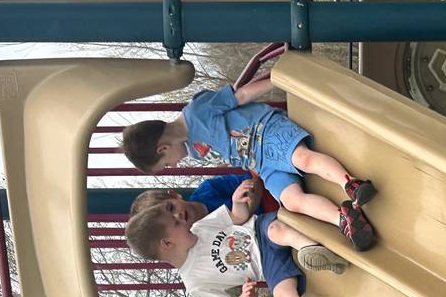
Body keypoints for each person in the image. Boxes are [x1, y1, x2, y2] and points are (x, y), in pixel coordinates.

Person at [123, 171, 360, 297]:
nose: (182, 222)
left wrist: (237, 202)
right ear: (167, 244)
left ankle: (312, 250)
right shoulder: (194, 283)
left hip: (259, 230)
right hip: (265, 267)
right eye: (176, 225)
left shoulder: (200, 227)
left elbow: (237, 218)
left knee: (278, 229)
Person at [120, 76, 379, 250]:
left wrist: (281, 77)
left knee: (302, 158)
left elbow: (240, 96)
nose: (174, 166)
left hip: (266, 132)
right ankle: (343, 219)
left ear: (163, 148)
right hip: (262, 162)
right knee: (291, 201)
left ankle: (350, 184)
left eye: (166, 164)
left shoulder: (197, 111)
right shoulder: (195, 151)